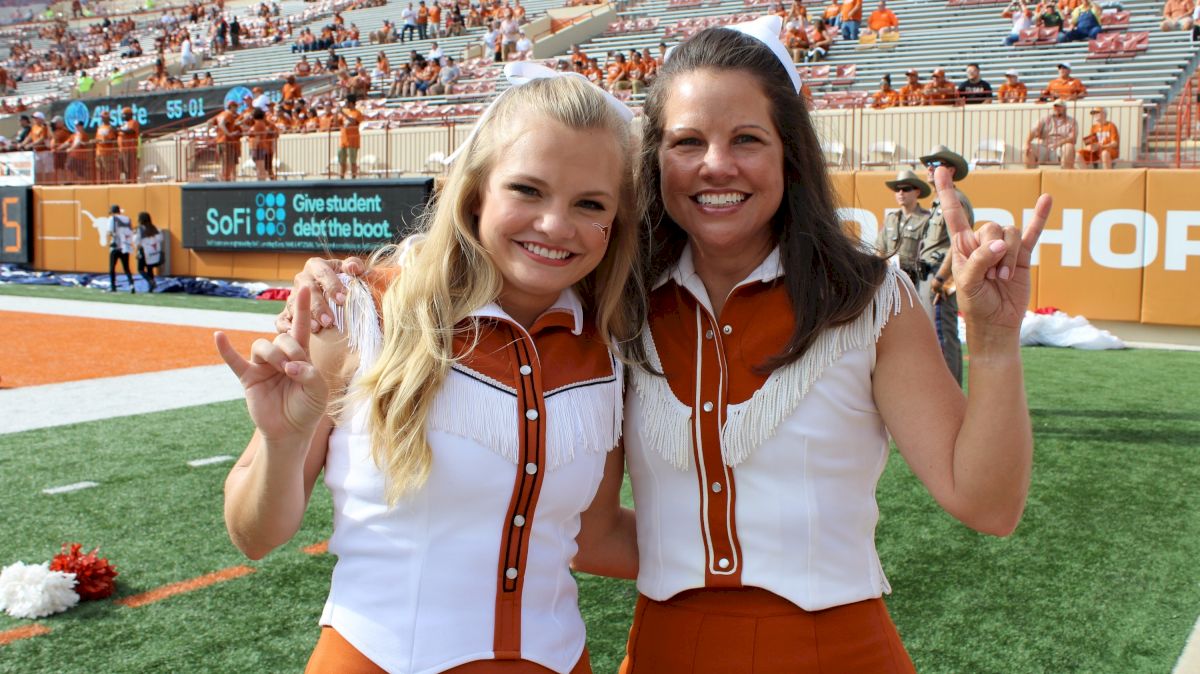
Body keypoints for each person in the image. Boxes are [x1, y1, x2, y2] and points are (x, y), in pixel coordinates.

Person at [284, 16, 1048, 671]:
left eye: (746, 139)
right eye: (687, 142)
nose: (716, 165)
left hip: (842, 651)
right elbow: (584, 523)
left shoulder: (871, 297)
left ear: (789, 153)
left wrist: (993, 341)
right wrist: (356, 278)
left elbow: (987, 505)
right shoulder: (617, 305)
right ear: (655, 163)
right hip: (665, 651)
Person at [217, 65, 641, 674]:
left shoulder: (613, 348)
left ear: (614, 221)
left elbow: (595, 538)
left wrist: (781, 543)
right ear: (474, 192)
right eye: (527, 190)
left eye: (589, 203)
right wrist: (282, 445)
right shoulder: (360, 312)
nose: (555, 224)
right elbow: (253, 535)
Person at [919, 145, 974, 385]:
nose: (929, 169)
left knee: (943, 336)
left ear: (950, 170)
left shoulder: (955, 200)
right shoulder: (939, 201)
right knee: (932, 336)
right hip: (930, 274)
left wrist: (941, 278)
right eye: (928, 164)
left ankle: (951, 393)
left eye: (936, 164)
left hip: (940, 276)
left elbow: (958, 244)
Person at [878, 169, 932, 287]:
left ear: (917, 192)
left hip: (915, 281)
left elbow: (929, 254)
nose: (901, 193)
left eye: (906, 189)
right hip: (890, 279)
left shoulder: (926, 220)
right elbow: (880, 250)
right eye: (897, 189)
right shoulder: (890, 219)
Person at [1025, 100, 1077, 168]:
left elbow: (1073, 138)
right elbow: (1033, 130)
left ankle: (1066, 175)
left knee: (1069, 147)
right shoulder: (1045, 118)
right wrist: (1027, 143)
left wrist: (1058, 143)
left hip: (1061, 147)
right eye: (1055, 106)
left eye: (1060, 106)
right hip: (1044, 146)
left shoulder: (1072, 121)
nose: (1057, 108)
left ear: (1065, 108)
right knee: (1027, 148)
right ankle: (1031, 175)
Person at [107, 205, 136, 292]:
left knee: (112, 268)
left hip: (115, 246)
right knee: (126, 268)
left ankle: (113, 287)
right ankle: (131, 285)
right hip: (125, 246)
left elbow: (110, 231)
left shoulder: (112, 219)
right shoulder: (127, 219)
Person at [134, 211, 163, 291]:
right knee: (150, 268)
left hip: (144, 250)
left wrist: (138, 250)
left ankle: (150, 281)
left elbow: (136, 241)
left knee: (140, 269)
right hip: (154, 251)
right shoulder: (155, 228)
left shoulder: (140, 229)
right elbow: (161, 238)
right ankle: (151, 288)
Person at [338, 94, 363, 178]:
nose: (345, 104)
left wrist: (343, 113)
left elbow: (353, 122)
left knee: (352, 160)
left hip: (352, 141)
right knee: (342, 160)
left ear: (351, 103)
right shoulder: (345, 112)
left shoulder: (357, 113)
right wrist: (337, 112)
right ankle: (342, 177)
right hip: (344, 140)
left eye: (347, 102)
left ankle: (353, 177)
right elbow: (337, 123)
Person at [94, 110, 119, 183]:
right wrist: (95, 141)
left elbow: (112, 139)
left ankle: (110, 183)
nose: (102, 118)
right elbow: (97, 138)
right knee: (99, 169)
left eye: (104, 117)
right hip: (98, 152)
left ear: (108, 118)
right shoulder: (99, 127)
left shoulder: (110, 128)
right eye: (102, 117)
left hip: (107, 153)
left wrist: (104, 142)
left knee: (108, 170)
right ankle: (102, 184)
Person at [118, 106, 140, 183]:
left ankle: (132, 181)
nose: (122, 116)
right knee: (124, 168)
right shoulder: (124, 124)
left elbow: (131, 131)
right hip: (122, 150)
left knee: (130, 168)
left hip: (129, 149)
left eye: (124, 114)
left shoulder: (133, 122)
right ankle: (127, 181)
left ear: (129, 114)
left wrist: (120, 129)